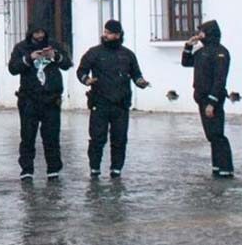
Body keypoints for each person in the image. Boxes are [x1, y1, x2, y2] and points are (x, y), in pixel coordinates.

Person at [77, 19, 149, 179]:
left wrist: (141, 82)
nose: (105, 35)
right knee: (97, 138)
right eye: (105, 32)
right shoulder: (94, 52)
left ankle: (116, 169)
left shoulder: (128, 54)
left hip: (121, 104)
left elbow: (136, 74)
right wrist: (86, 79)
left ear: (117, 35)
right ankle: (94, 168)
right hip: (99, 102)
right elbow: (81, 70)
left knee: (120, 138)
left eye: (109, 33)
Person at [8, 24, 72, 181]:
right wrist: (29, 58)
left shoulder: (55, 45)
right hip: (29, 98)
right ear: (31, 33)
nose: (39, 35)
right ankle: (27, 170)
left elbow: (67, 64)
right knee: (28, 136)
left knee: (51, 136)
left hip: (51, 98)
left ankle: (53, 169)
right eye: (36, 32)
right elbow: (13, 68)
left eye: (42, 32)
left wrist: (55, 56)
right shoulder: (21, 47)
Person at [181, 20, 234, 178]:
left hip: (213, 99)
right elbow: (186, 62)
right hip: (201, 98)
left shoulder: (220, 52)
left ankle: (226, 167)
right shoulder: (202, 52)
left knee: (217, 134)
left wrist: (212, 101)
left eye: (202, 32)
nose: (199, 35)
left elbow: (220, 79)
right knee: (211, 135)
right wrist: (188, 46)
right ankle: (217, 166)